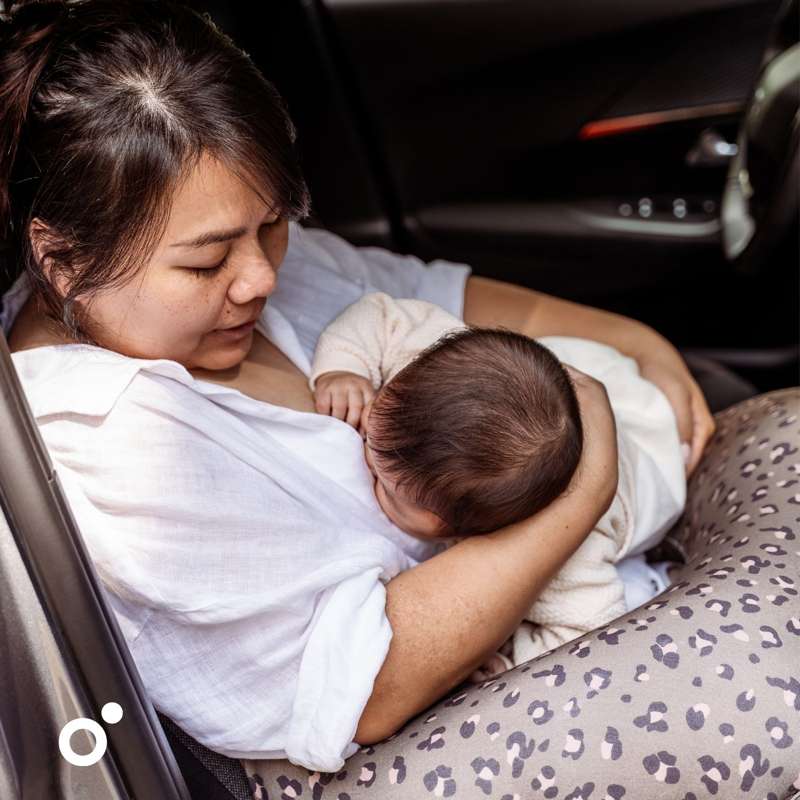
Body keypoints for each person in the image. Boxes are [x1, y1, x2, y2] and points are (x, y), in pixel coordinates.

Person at [0, 0, 714, 779]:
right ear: (63, 261)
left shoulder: (233, 251)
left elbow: (432, 293)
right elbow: (366, 682)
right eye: (206, 263)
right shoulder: (111, 448)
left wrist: (634, 339)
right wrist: (585, 479)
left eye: (274, 225)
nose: (262, 276)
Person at [308, 291, 686, 679]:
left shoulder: (569, 560)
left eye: (386, 490)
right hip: (578, 380)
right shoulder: (431, 364)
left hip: (653, 462)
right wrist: (344, 368)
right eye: (374, 428)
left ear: (462, 530)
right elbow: (381, 314)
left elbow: (586, 632)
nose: (365, 452)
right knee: (528, 389)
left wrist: (510, 660)